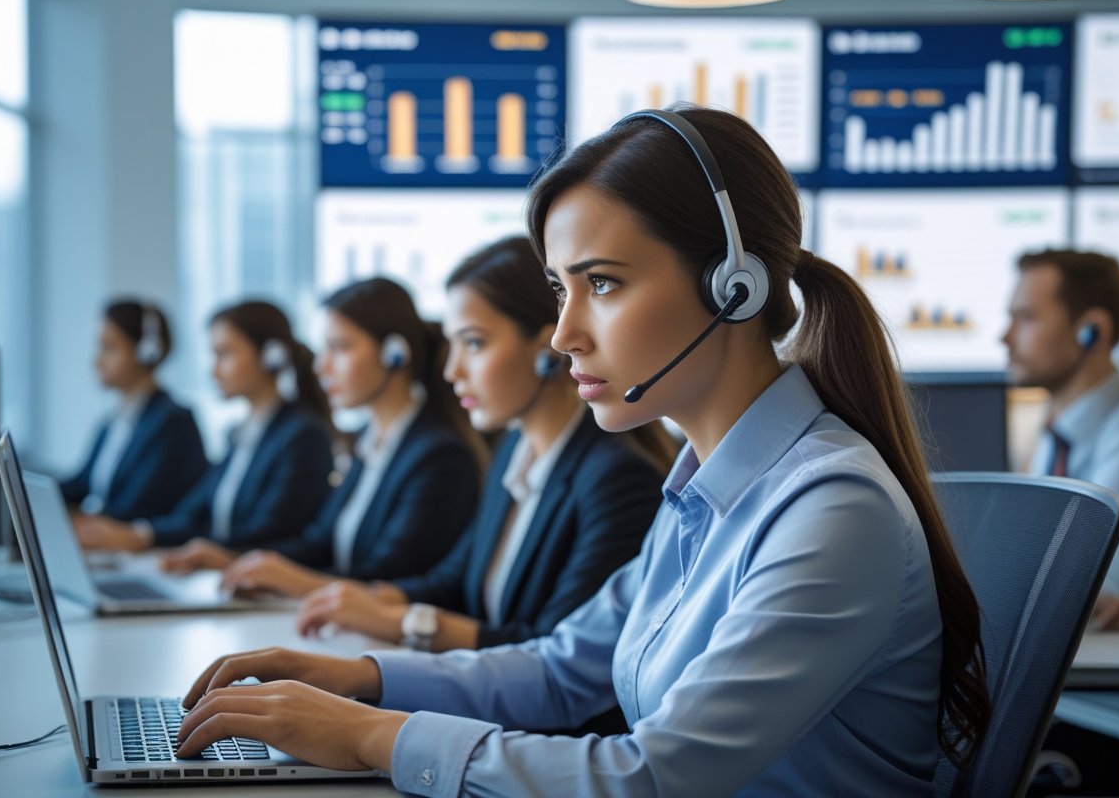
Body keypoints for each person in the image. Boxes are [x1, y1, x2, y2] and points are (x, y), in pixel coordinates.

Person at [173, 107, 990, 796]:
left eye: (602, 284)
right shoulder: (705, 494)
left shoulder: (830, 509)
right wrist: (363, 681)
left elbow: (651, 776)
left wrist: (368, 738)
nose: (563, 335)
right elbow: (562, 671)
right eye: (562, 290)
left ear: (730, 287)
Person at [293, 237, 677, 653]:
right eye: (453, 343)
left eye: (473, 343)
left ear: (548, 349)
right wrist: (365, 601)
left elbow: (554, 656)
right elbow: (452, 580)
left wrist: (405, 623)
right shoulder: (514, 450)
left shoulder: (616, 479)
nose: (451, 370)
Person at [161, 278, 484, 597]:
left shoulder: (439, 456)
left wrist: (296, 583)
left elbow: (389, 575)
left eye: (340, 348)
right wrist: (246, 564)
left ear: (394, 355)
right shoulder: (369, 442)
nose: (321, 366)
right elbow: (319, 542)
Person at [74, 301, 335, 552]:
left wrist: (210, 552)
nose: (213, 370)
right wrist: (142, 535)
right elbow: (193, 513)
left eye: (224, 354)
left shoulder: (302, 435)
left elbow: (268, 531)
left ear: (271, 357)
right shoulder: (240, 434)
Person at [1002, 249, 1119, 628]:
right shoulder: (1053, 438)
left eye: (1026, 318)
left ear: (1092, 330)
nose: (1004, 337)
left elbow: (1081, 595)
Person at [61, 299, 207, 522]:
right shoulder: (111, 422)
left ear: (145, 352)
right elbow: (81, 485)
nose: (97, 361)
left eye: (109, 348)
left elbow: (137, 508)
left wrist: (81, 522)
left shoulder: (173, 422)